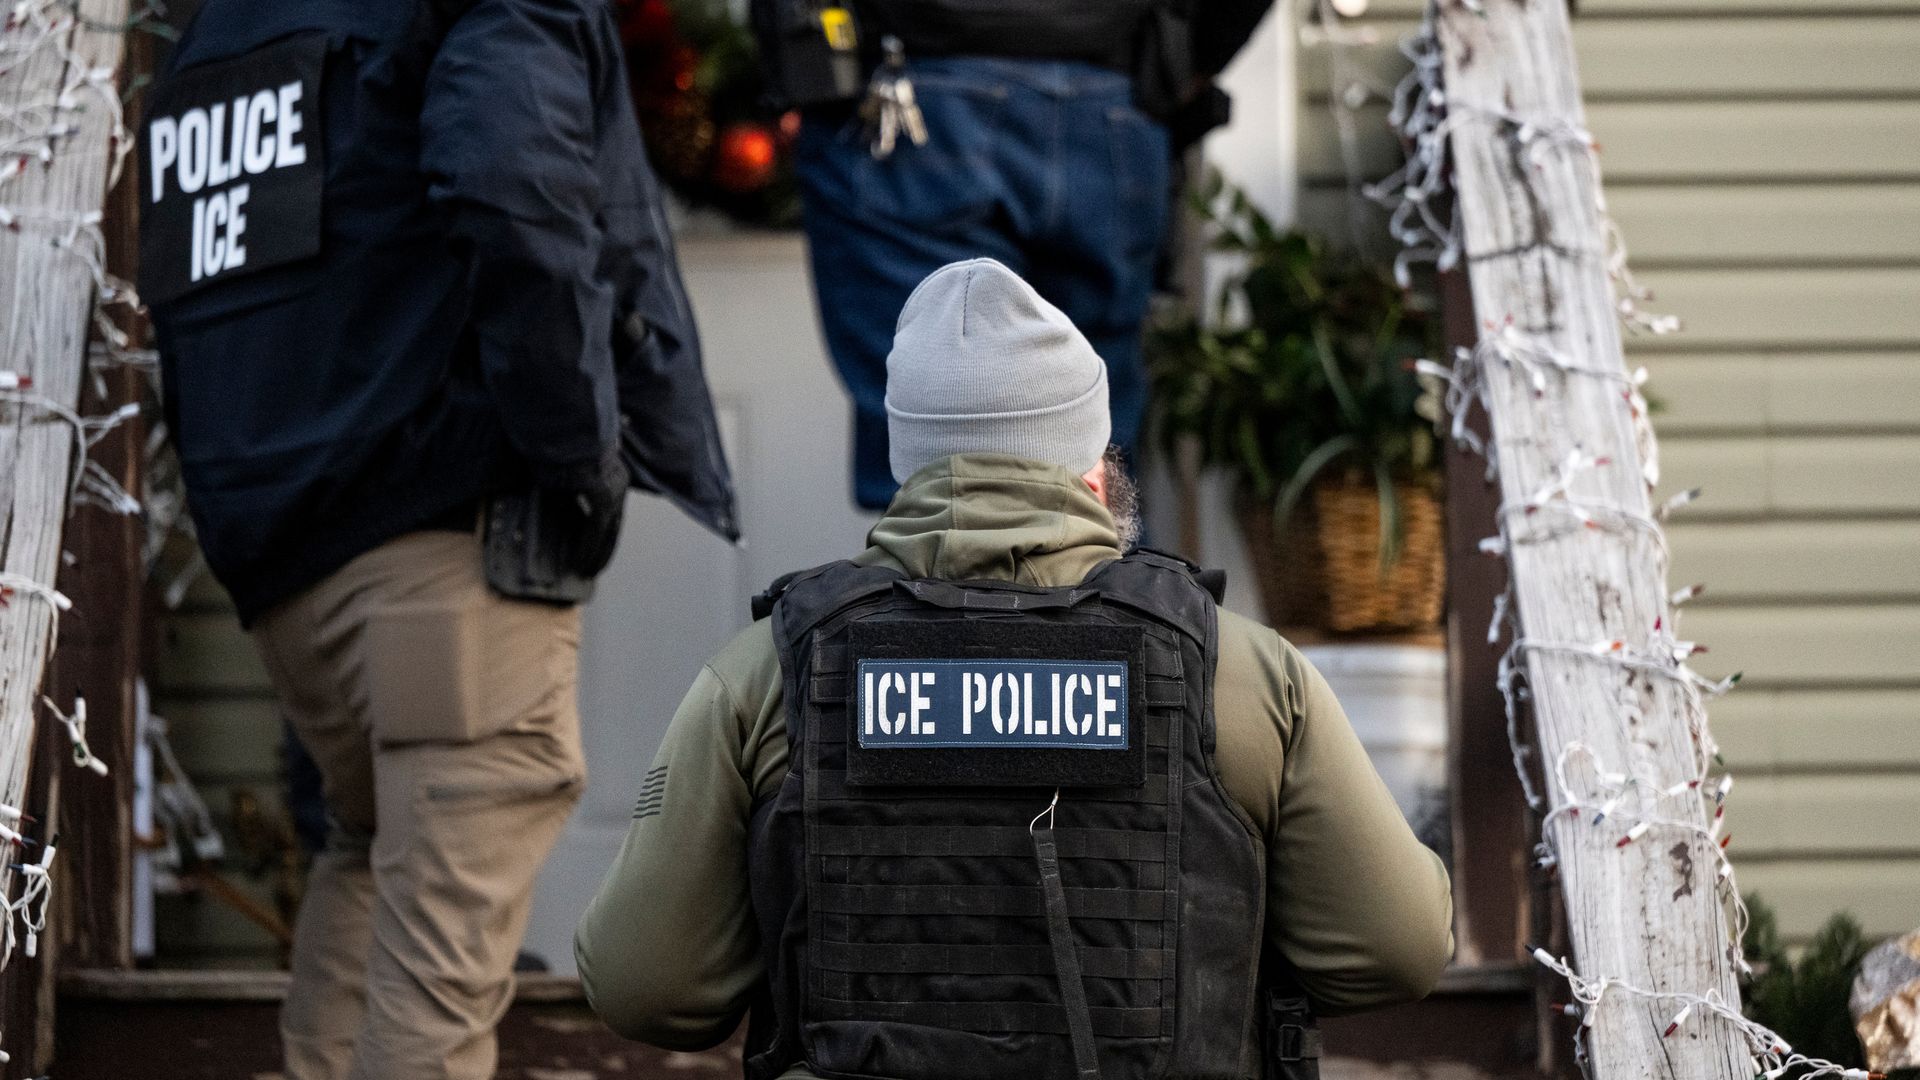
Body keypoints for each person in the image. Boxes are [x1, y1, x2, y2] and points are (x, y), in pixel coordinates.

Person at [576, 259, 1452, 1079]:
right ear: (1094, 473)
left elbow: (645, 988)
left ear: (908, 470)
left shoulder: (764, 674)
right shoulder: (1249, 676)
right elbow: (1398, 947)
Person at [141, 2, 736, 1078]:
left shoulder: (221, 31)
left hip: (284, 563)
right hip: (439, 554)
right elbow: (510, 177)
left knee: (366, 859)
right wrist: (581, 454)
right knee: (436, 974)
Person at [754, 0, 1280, 510]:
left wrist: (800, 63)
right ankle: (1099, 593)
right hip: (1110, 96)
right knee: (1094, 460)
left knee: (942, 461)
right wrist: (1188, 62)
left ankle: (953, 589)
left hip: (917, 90)